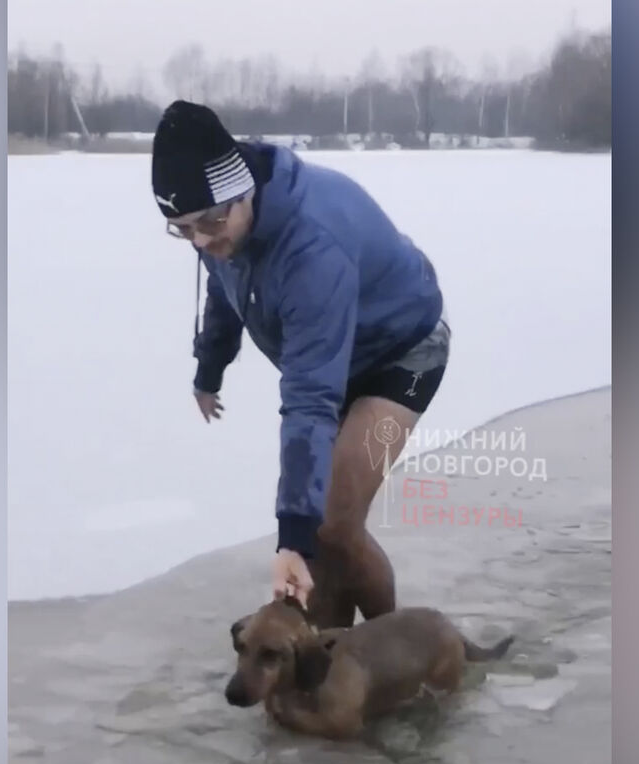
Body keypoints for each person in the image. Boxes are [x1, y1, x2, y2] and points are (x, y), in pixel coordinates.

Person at [150, 100, 450, 629]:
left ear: (242, 191)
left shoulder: (312, 247)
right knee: (316, 541)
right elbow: (224, 294)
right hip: (333, 357)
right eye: (182, 229)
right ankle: (330, 657)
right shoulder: (219, 221)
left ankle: (396, 656)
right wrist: (209, 369)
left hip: (402, 351)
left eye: (209, 223)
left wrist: (289, 535)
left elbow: (310, 397)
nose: (200, 240)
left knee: (332, 525)